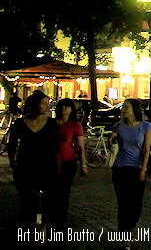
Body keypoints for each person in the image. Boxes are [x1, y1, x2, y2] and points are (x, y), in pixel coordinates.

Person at [7, 90, 59, 231]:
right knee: (26, 201)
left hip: (46, 167)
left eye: (47, 104)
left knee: (47, 201)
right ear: (35, 104)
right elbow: (11, 145)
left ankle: (43, 227)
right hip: (26, 166)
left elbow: (56, 147)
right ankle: (27, 229)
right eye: (44, 103)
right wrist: (14, 163)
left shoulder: (52, 124)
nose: (47, 107)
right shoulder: (20, 124)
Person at [109, 98, 151, 242]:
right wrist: (112, 140)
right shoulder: (118, 126)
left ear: (134, 109)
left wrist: (143, 168)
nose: (123, 110)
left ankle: (131, 227)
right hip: (120, 168)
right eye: (123, 107)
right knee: (123, 204)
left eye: (126, 107)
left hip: (136, 168)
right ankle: (125, 237)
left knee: (135, 205)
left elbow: (146, 149)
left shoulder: (146, 126)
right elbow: (112, 142)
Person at [52, 98, 87, 228]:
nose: (64, 109)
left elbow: (80, 146)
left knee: (64, 191)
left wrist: (83, 164)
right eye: (61, 107)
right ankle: (53, 218)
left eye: (67, 107)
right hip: (53, 162)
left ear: (71, 109)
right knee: (53, 191)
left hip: (68, 162)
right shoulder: (52, 124)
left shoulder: (75, 125)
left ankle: (61, 221)